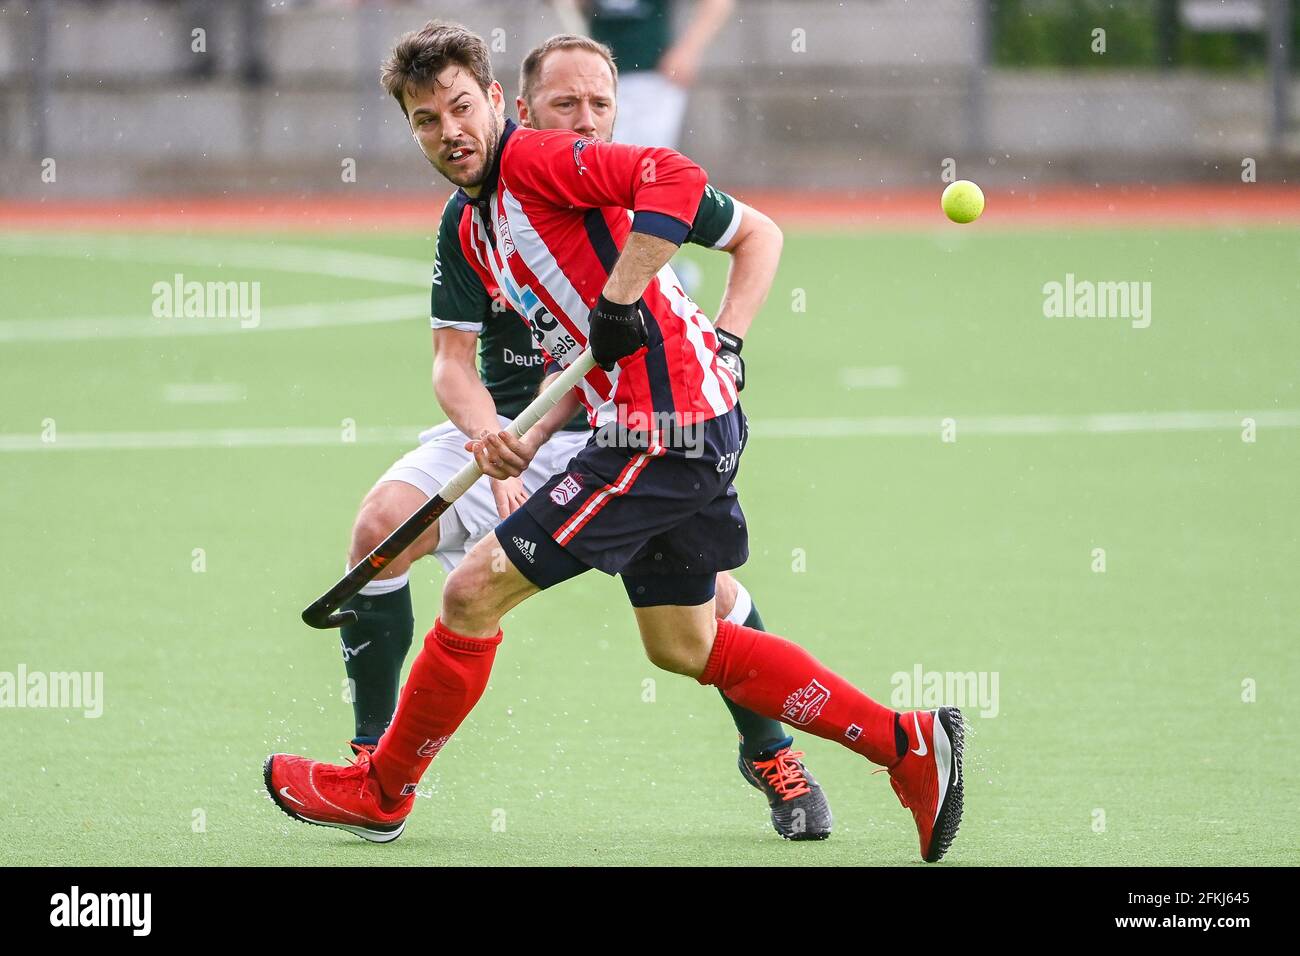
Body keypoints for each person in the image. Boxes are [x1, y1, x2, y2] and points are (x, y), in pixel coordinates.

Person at [265, 21, 963, 863]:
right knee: (685, 644)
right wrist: (511, 434)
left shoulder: (537, 160)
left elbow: (674, 174)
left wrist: (624, 292)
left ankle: (381, 791)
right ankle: (908, 744)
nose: (448, 132)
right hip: (670, 423)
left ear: (495, 103)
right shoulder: (479, 221)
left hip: (657, 427)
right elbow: (546, 351)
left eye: (459, 108)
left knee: (470, 593)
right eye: (424, 120)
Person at [336, 32, 830, 840]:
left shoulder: (635, 202)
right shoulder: (474, 216)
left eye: (602, 105)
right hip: (500, 426)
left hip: (614, 429)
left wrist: (728, 344)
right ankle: (372, 763)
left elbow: (757, 234)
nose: (586, 122)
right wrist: (494, 435)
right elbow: (451, 363)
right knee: (378, 530)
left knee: (696, 618)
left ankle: (772, 750)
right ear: (526, 110)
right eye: (566, 105)